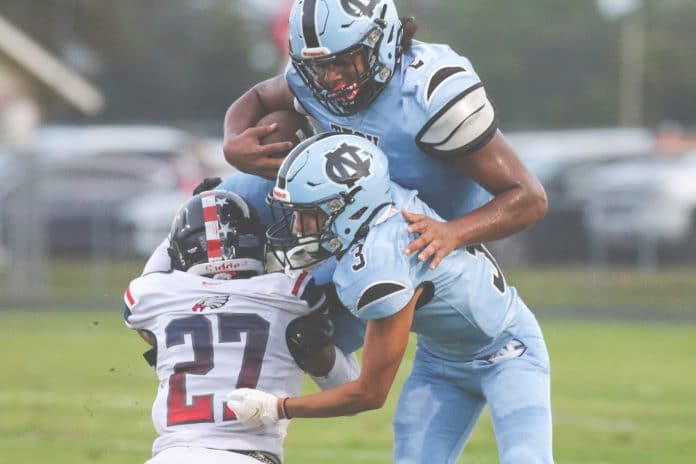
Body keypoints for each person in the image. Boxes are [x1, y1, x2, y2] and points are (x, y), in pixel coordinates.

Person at [226, 134, 554, 464]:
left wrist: (277, 407)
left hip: (509, 351)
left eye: (308, 215)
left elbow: (369, 393)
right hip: (440, 361)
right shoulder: (379, 203)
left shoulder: (387, 260)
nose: (298, 228)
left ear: (346, 208)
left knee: (526, 458)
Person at [220, 0, 547, 272]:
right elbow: (261, 96)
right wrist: (233, 141)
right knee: (219, 205)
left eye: (344, 62)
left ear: (381, 41)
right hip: (359, 229)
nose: (330, 78)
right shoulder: (313, 79)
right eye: (319, 67)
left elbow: (529, 198)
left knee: (315, 317)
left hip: (429, 244)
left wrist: (452, 233)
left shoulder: (430, 94)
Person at [124, 190, 359, 464]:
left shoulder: (156, 295)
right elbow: (351, 389)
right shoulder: (290, 294)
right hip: (248, 457)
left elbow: (150, 279)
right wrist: (321, 353)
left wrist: (179, 230)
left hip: (170, 457)